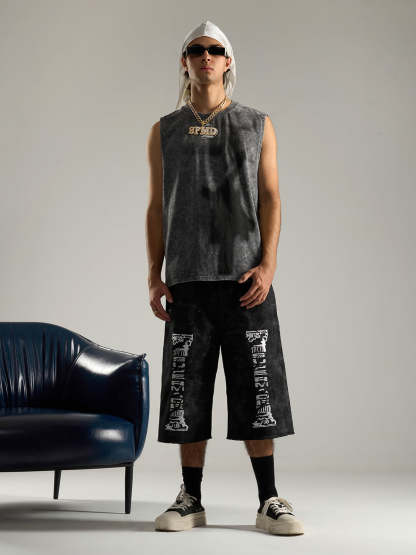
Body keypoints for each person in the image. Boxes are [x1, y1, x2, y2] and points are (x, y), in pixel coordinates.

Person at [145, 20, 304, 536]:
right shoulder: (165, 130)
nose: (206, 56)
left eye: (215, 49)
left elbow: (271, 197)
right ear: (185, 61)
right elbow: (156, 206)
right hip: (187, 280)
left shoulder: (257, 123)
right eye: (196, 49)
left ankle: (269, 499)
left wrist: (268, 264)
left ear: (228, 61)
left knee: (258, 392)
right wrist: (154, 273)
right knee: (185, 394)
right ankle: (190, 499)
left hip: (245, 279)